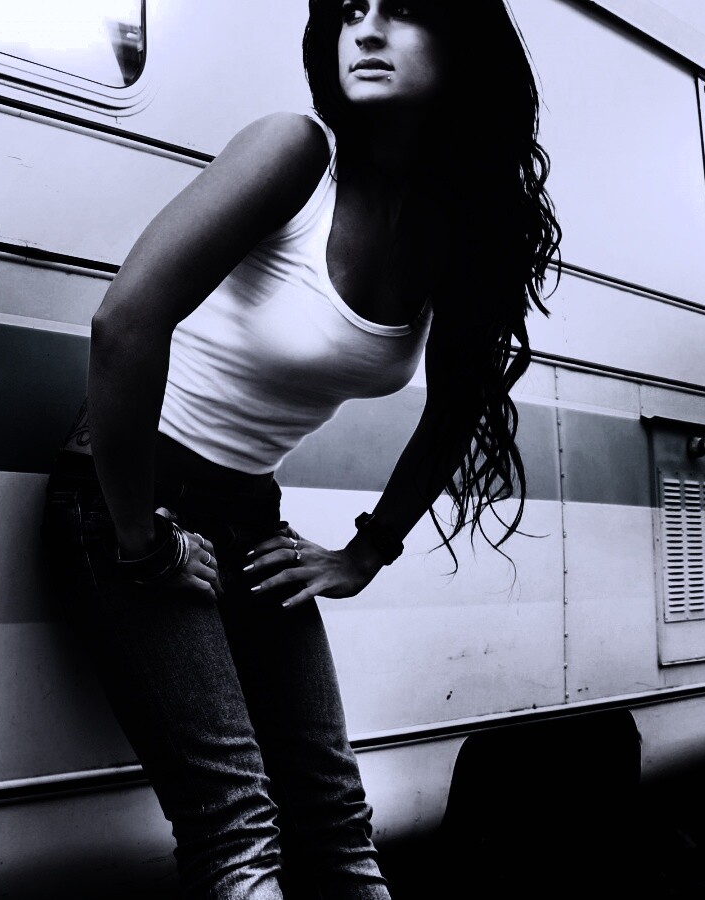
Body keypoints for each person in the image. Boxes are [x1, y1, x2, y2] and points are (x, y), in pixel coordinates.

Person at [41, 1, 561, 897]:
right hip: (126, 500)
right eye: (351, 9)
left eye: (403, 11)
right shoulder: (296, 152)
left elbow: (458, 406)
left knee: (335, 823)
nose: (367, 30)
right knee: (237, 831)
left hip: (249, 520)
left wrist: (368, 549)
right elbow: (124, 324)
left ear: (464, 44)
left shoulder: (458, 227)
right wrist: (141, 541)